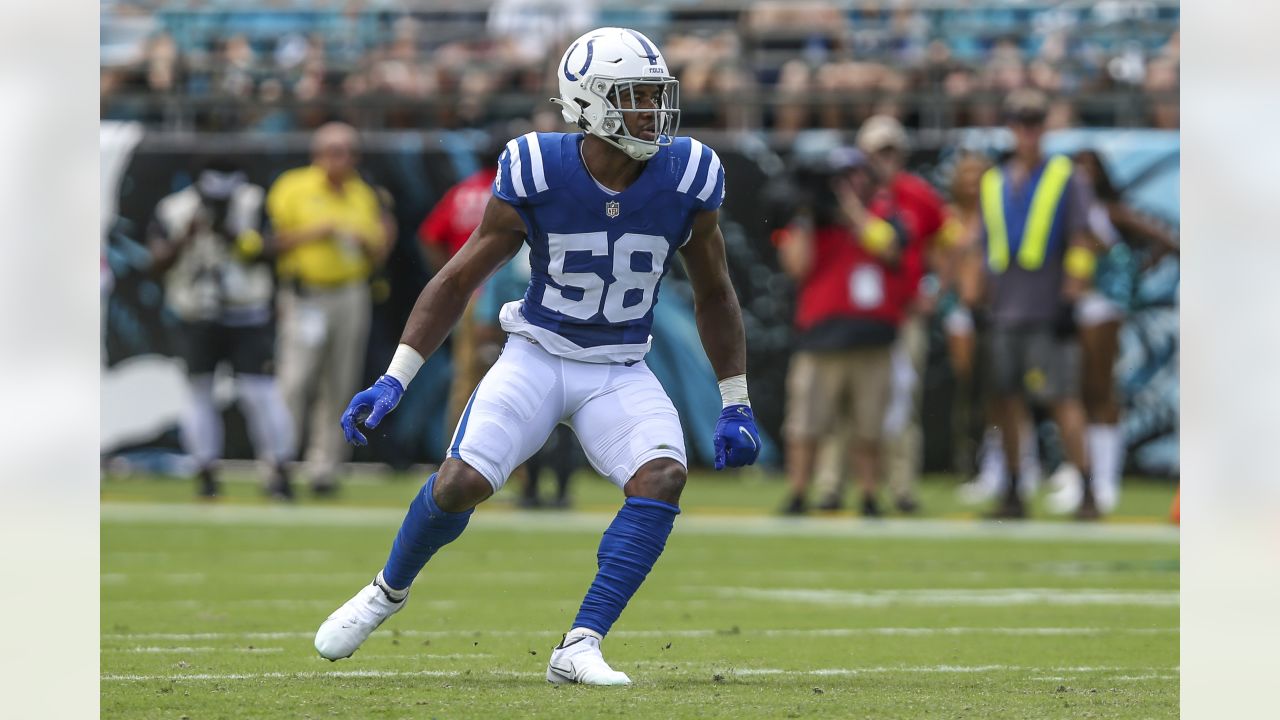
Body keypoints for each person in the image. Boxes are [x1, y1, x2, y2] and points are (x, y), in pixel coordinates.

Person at [311, 28, 761, 685]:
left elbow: (716, 296)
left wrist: (736, 402)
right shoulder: (536, 167)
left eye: (655, 96)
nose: (652, 112)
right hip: (539, 355)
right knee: (462, 482)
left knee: (663, 477)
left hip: (620, 367)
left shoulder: (688, 176)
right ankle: (387, 589)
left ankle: (579, 645)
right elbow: (458, 277)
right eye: (635, 97)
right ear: (591, 103)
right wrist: (395, 377)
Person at [958, 89, 1099, 520]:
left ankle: (1088, 490)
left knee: (1062, 399)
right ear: (1011, 127)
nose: (1027, 131)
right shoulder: (994, 180)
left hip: (1046, 306)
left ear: (1044, 127)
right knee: (1005, 402)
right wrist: (976, 299)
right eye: (1020, 122)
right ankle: (1015, 488)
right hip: (1003, 309)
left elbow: (1081, 239)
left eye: (1035, 122)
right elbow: (983, 245)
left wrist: (1071, 297)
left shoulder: (1065, 177)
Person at [147, 159, 295, 499]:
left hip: (247, 312)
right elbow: (155, 261)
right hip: (197, 313)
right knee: (199, 391)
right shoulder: (175, 208)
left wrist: (235, 237)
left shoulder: (254, 202)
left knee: (259, 392)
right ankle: (205, 471)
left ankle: (278, 470)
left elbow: (271, 249)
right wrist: (188, 235)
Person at [775, 147, 905, 517]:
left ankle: (868, 496)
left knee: (869, 426)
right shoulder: (810, 219)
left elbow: (892, 249)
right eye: (841, 178)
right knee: (806, 424)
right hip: (820, 336)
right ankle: (798, 493)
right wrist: (805, 213)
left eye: (855, 174)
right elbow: (797, 266)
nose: (850, 183)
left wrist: (850, 209)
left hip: (873, 336)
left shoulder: (882, 214)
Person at [266, 122, 391, 496]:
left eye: (350, 152)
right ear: (318, 154)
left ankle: (324, 469)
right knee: (295, 381)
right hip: (306, 294)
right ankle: (278, 463)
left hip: (350, 293)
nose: (344, 159)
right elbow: (269, 241)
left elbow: (379, 246)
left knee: (340, 381)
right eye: (336, 151)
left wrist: (368, 242)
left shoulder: (362, 193)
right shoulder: (293, 186)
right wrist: (317, 232)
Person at [856, 115, 947, 514]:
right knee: (852, 404)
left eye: (892, 151)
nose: (885, 159)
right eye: (879, 151)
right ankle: (843, 486)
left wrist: (935, 290)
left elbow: (948, 243)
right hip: (859, 316)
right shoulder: (851, 194)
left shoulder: (919, 194)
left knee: (902, 403)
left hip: (903, 312)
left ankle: (902, 486)